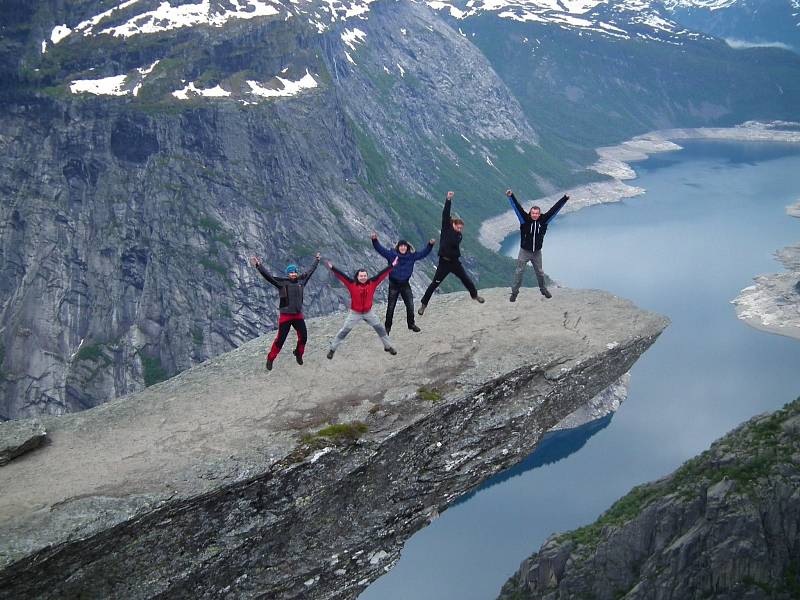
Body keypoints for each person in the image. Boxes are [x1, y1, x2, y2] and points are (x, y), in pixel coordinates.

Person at [250, 252, 320, 371]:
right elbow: (269, 276)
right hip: (285, 316)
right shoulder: (281, 283)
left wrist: (317, 261)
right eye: (291, 272)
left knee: (303, 337)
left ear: (296, 273)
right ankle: (271, 358)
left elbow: (310, 271)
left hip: (298, 315)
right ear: (288, 274)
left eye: (294, 272)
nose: (293, 274)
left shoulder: (301, 281)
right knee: (280, 340)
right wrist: (258, 265)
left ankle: (298, 353)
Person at [418, 191, 484, 315]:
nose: (459, 229)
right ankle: (423, 305)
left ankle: (475, 296)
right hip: (444, 262)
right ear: (453, 224)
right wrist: (448, 200)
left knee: (466, 279)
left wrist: (455, 231)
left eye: (461, 228)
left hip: (454, 262)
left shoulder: (459, 236)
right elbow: (445, 213)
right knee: (434, 284)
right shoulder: (446, 228)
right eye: (458, 227)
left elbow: (454, 242)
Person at [325, 256, 399, 359]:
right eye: (361, 276)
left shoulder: (372, 283)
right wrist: (332, 267)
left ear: (367, 276)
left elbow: (382, 274)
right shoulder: (351, 284)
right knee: (344, 331)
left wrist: (392, 265)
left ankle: (388, 346)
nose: (363, 277)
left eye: (365, 276)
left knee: (380, 329)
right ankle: (332, 349)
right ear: (357, 277)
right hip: (355, 313)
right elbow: (341, 275)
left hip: (369, 312)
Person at [506, 189, 569, 301]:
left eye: (537, 213)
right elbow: (517, 208)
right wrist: (511, 196)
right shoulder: (524, 220)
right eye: (533, 213)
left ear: (539, 214)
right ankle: (514, 293)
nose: (535, 215)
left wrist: (565, 198)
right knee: (519, 272)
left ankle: (543, 289)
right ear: (530, 213)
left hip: (537, 253)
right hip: (524, 251)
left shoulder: (544, 220)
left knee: (540, 272)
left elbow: (554, 210)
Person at [370, 233, 435, 334]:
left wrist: (430, 245)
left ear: (407, 247)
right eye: (401, 246)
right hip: (394, 285)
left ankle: (411, 324)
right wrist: (374, 240)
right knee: (391, 307)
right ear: (398, 247)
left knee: (410, 305)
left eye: (405, 246)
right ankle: (387, 327)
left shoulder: (412, 256)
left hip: (405, 284)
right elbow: (380, 249)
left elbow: (423, 253)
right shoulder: (391, 255)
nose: (403, 247)